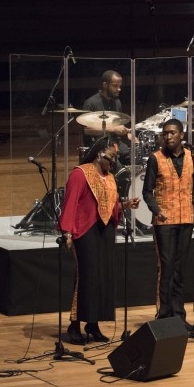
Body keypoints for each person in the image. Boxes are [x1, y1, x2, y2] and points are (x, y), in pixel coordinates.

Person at [58, 137, 140, 345]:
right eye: (111, 158)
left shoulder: (110, 178)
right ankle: (74, 324)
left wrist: (126, 205)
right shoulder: (80, 173)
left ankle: (92, 324)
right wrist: (67, 232)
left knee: (102, 277)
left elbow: (110, 207)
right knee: (86, 277)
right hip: (85, 231)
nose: (113, 163)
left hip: (105, 231)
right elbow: (70, 203)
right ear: (98, 155)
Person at [142, 119, 194, 324]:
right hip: (165, 221)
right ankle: (164, 315)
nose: (168, 137)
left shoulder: (192, 157)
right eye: (165, 134)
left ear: (181, 135)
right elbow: (147, 191)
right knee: (167, 266)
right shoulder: (156, 158)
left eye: (172, 133)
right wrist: (157, 210)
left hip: (186, 218)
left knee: (180, 267)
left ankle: (179, 315)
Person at [82, 70, 133, 165]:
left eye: (119, 86)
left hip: (116, 143)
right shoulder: (90, 103)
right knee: (116, 165)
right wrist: (113, 129)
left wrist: (127, 133)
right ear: (105, 85)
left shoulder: (117, 102)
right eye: (115, 86)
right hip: (99, 146)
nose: (119, 89)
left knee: (135, 158)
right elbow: (87, 130)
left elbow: (118, 124)